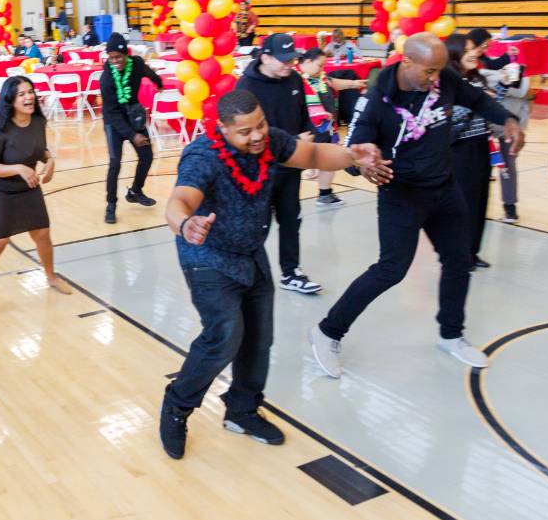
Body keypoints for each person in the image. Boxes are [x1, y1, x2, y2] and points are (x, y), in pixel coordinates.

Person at [159, 90, 387, 459]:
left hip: (250, 252)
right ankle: (177, 406)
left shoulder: (271, 142)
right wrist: (185, 223)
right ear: (223, 129)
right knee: (224, 336)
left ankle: (242, 410)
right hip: (206, 256)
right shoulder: (204, 156)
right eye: (245, 131)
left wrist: (351, 155)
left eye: (261, 124)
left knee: (259, 338)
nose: (257, 135)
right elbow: (180, 199)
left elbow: (311, 153)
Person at [308, 33, 522, 378]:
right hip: (401, 192)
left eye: (439, 71)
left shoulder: (443, 76)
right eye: (428, 72)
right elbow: (354, 149)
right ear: (406, 62)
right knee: (391, 269)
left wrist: (508, 118)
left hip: (444, 187)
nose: (435, 78)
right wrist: (363, 161)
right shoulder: (377, 98)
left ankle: (451, 334)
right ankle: (327, 331)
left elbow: (478, 101)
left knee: (459, 260)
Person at [0, 76, 71, 325]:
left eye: (30, 92)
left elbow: (39, 151)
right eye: (22, 94)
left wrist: (51, 161)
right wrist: (19, 169)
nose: (29, 97)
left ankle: (51, 277)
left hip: (28, 187)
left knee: (43, 234)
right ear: (10, 100)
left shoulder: (37, 122)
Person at [235, 33, 322, 294]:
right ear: (265, 58)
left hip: (291, 165)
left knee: (291, 219)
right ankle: (243, 272)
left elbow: (303, 116)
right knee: (256, 223)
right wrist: (291, 141)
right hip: (259, 170)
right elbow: (248, 135)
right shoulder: (246, 88)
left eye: (292, 59)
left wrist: (308, 149)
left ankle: (290, 272)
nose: (289, 64)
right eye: (283, 60)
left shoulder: (294, 78)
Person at [444, 34, 497, 269]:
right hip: (459, 149)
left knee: (480, 200)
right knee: (462, 204)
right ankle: (458, 254)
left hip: (479, 144)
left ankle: (472, 251)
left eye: (474, 50)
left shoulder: (476, 79)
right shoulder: (447, 82)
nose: (475, 53)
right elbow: (447, 117)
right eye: (468, 51)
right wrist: (475, 102)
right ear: (455, 54)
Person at [100, 33, 163, 225]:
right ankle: (111, 204)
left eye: (118, 56)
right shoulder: (106, 79)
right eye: (111, 58)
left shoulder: (136, 63)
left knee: (147, 156)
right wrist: (132, 135)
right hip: (113, 121)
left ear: (125, 54)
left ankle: (135, 191)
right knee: (115, 163)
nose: (115, 61)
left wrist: (158, 83)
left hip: (133, 114)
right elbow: (112, 113)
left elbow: (148, 72)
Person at [296, 48, 367, 209]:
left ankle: (325, 193)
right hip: (309, 129)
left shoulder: (320, 78)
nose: (322, 69)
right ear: (307, 62)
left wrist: (354, 84)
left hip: (325, 128)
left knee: (327, 160)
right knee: (320, 160)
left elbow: (333, 82)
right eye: (319, 65)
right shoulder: (297, 80)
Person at [481, 59, 530, 223]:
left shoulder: (485, 76)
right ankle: (509, 209)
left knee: (506, 165)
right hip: (493, 125)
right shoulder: (481, 74)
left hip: (505, 126)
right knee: (505, 166)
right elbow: (523, 93)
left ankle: (510, 209)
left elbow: (521, 92)